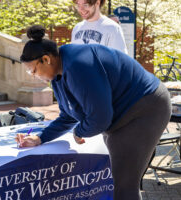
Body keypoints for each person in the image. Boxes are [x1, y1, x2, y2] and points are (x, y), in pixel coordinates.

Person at [16, 25, 171, 200]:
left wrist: (80, 131)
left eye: (32, 70)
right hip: (122, 113)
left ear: (46, 59)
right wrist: (41, 137)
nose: (32, 75)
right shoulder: (59, 72)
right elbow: (68, 115)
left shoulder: (78, 65)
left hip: (145, 107)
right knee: (119, 179)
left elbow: (100, 119)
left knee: (124, 186)